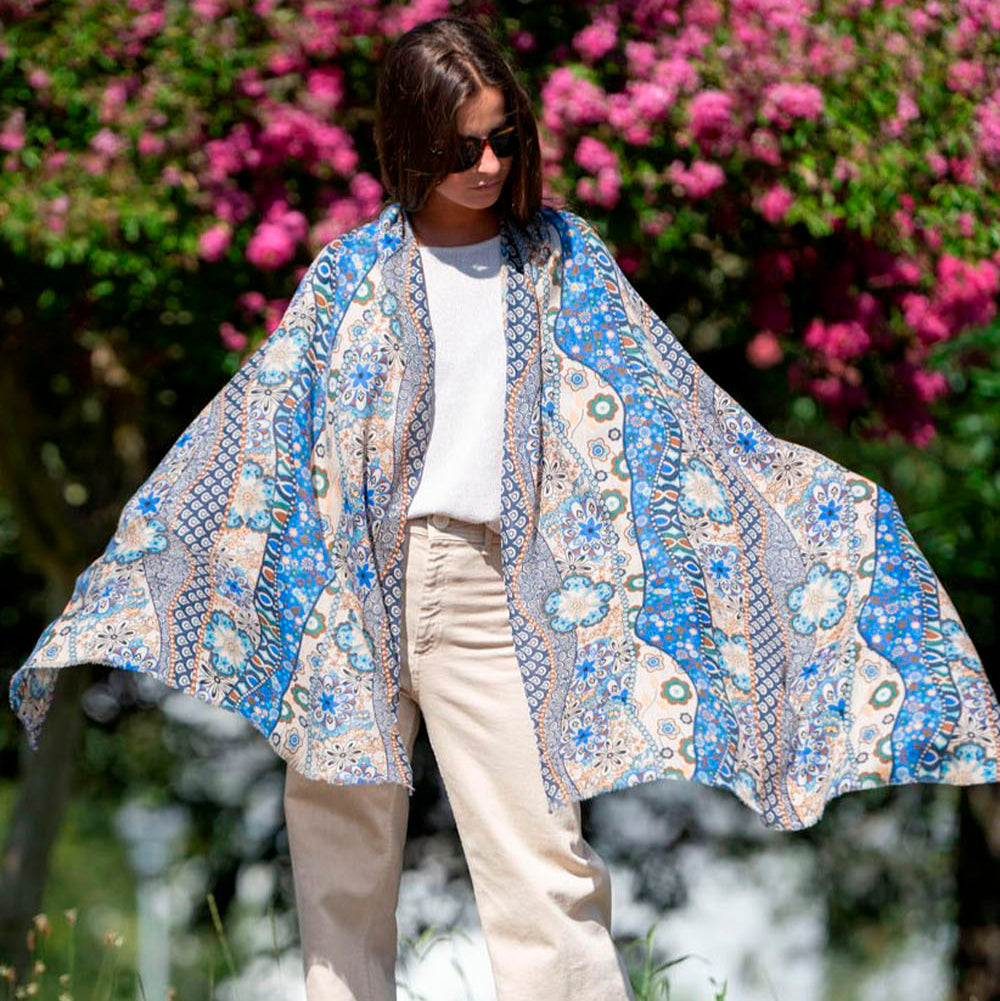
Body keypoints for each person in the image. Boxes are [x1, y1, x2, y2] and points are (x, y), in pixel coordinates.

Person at [9, 13, 1000, 1001]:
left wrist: (818, 507)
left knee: (541, 865)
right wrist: (141, 565)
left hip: (493, 587)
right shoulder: (349, 276)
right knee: (339, 865)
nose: (485, 164)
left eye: (501, 138)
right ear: (406, 142)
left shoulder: (566, 261)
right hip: (350, 591)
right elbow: (257, 429)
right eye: (458, 146)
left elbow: (673, 411)